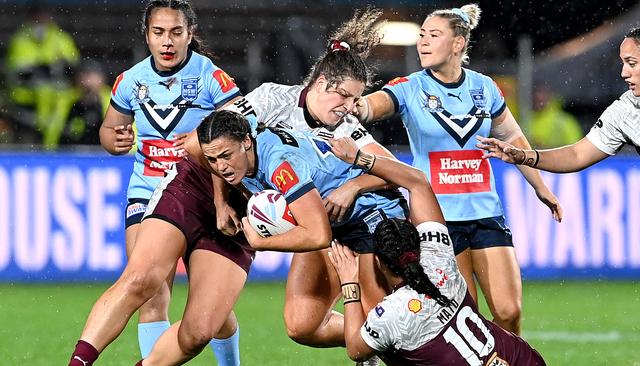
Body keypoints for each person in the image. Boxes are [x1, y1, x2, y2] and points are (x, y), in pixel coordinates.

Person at [354, 3, 562, 334]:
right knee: (467, 318)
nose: (423, 41)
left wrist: (541, 187)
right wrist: (357, 104)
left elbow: (512, 137)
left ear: (458, 44)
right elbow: (372, 106)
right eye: (421, 35)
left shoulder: (485, 87)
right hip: (438, 221)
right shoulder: (410, 86)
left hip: (485, 212)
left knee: (509, 311)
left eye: (433, 35)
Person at [68, 1, 243, 365]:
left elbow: (242, 130)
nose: (167, 42)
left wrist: (202, 145)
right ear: (146, 35)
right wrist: (111, 141)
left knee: (213, 307)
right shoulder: (131, 81)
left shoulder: (212, 78)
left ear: (190, 35)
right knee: (150, 289)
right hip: (147, 192)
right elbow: (108, 127)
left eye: (176, 33)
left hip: (204, 194)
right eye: (158, 33)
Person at [197, 110, 409, 357]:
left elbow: (317, 236)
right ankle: (365, 345)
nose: (221, 167)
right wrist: (220, 202)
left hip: (369, 213)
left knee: (382, 329)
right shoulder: (244, 142)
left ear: (246, 142)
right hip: (329, 221)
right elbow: (196, 149)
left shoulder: (279, 164)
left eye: (226, 156)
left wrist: (261, 242)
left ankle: (381, 346)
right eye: (212, 160)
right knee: (302, 324)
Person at [327, 137, 547, 365]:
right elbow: (418, 181)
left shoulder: (391, 314)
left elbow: (355, 349)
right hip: (524, 359)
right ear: (418, 245)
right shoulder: (438, 255)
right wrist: (359, 158)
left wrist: (349, 283)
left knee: (391, 350)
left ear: (380, 263)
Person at [478, 24, 640, 173]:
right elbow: (577, 155)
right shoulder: (627, 110)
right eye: (623, 64)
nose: (624, 73)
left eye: (632, 63)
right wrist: (524, 156)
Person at [5, 2, 80, 144]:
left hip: (58, 93)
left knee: (66, 101)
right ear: (30, 19)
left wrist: (55, 67)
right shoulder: (20, 40)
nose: (41, 22)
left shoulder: (61, 38)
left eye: (44, 18)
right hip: (26, 94)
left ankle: (53, 144)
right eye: (37, 18)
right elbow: (18, 70)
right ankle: (45, 141)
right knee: (43, 91)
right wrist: (42, 69)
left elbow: (73, 65)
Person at [529, 84, 583, 149]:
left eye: (542, 93)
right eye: (535, 94)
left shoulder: (565, 122)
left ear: (550, 96)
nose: (538, 97)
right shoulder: (526, 119)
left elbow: (576, 150)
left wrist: (544, 149)